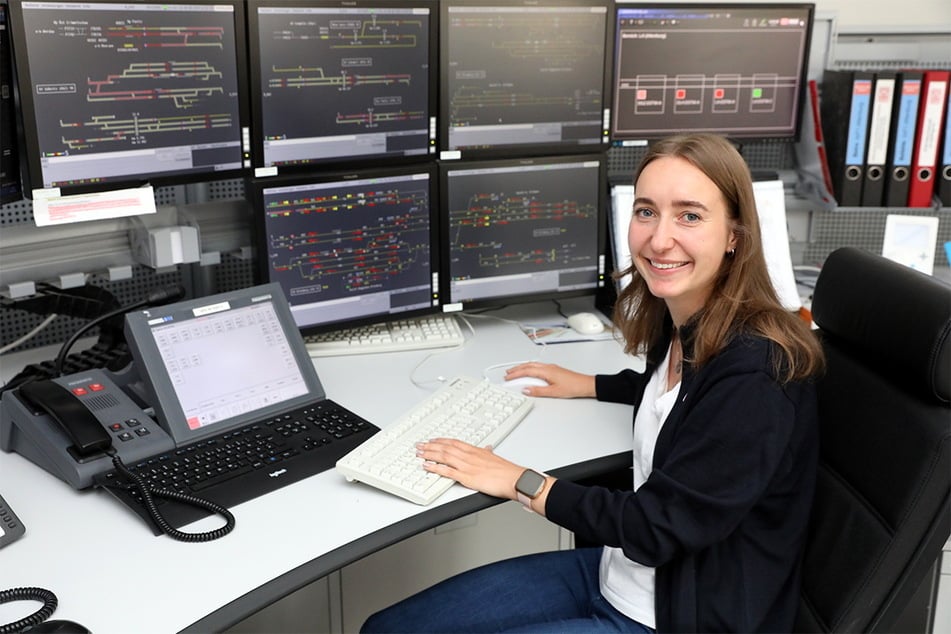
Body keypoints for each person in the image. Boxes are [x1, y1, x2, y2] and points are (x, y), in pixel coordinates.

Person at [360, 133, 825, 634]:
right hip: (615, 576)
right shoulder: (688, 322)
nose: (660, 239)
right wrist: (593, 384)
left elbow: (653, 526)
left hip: (676, 615)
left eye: (689, 215)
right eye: (646, 211)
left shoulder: (757, 373)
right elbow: (683, 404)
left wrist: (518, 479)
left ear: (735, 234)